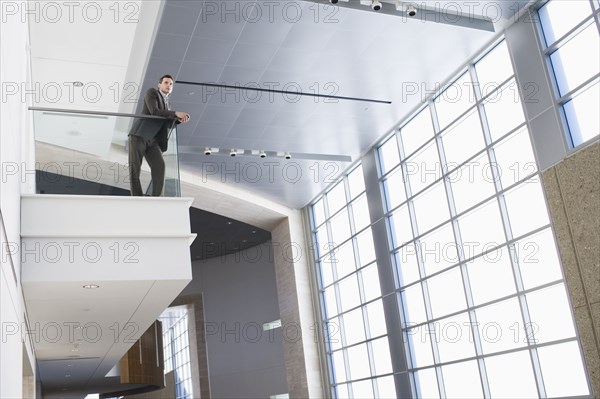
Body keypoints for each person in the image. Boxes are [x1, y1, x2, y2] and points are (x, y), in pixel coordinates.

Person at [128, 74, 190, 196]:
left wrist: (177, 120)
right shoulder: (152, 93)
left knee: (160, 166)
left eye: (171, 84)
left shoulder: (168, 105)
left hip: (154, 140)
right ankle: (137, 198)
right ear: (159, 84)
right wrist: (175, 113)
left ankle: (156, 198)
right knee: (135, 169)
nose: (168, 85)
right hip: (140, 135)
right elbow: (154, 111)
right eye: (166, 82)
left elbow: (166, 125)